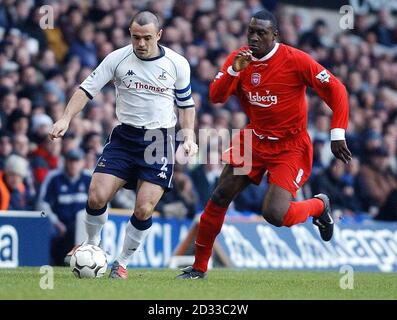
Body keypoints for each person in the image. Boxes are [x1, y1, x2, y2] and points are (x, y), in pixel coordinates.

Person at [177, 10, 351, 279]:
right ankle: (199, 268)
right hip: (254, 139)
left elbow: (336, 89)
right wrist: (235, 71)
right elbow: (215, 96)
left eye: (261, 33)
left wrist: (337, 132)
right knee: (220, 196)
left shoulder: (295, 60)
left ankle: (319, 206)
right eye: (251, 32)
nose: (254, 37)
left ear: (275, 36)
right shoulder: (240, 59)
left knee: (274, 214)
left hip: (289, 146)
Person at [50, 11, 197, 279]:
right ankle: (91, 246)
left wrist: (188, 136)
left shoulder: (178, 64)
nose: (140, 43)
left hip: (158, 140)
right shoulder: (117, 58)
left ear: (160, 35)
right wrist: (65, 118)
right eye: (135, 37)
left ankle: (122, 262)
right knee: (96, 196)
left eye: (147, 38)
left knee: (143, 208)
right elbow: (86, 90)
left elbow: (186, 104)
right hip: (125, 137)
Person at [37, 149, 91, 265]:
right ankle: (47, 262)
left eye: (76, 161)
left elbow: (101, 203)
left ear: (82, 163)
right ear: (65, 162)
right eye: (70, 161)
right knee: (49, 231)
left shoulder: (89, 178)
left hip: (81, 226)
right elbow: (42, 204)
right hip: (58, 224)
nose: (73, 165)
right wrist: (55, 222)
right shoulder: (54, 178)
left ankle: (82, 262)